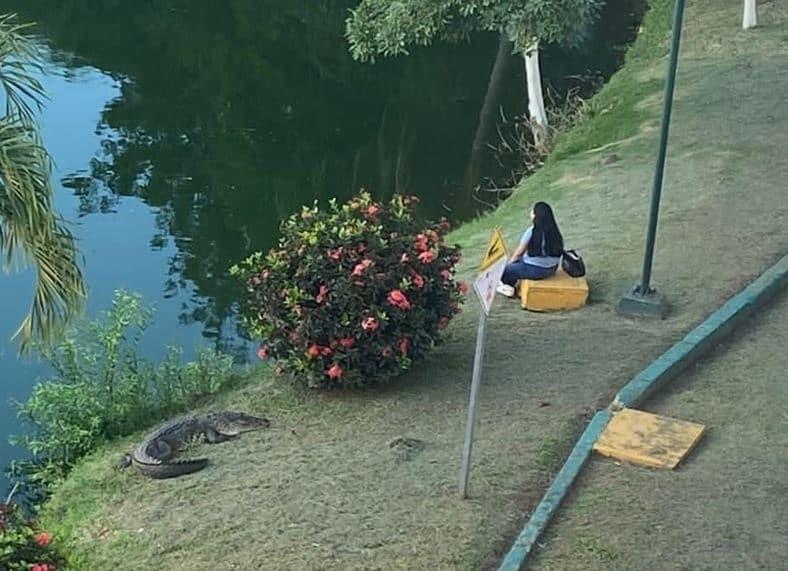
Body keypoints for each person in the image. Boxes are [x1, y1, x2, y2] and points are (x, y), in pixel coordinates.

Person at [496, 201, 563, 298]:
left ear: (536, 216)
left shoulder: (532, 231)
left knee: (505, 270)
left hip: (536, 270)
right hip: (552, 268)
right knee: (517, 263)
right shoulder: (554, 231)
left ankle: (510, 288)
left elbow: (518, 253)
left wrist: (509, 264)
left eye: (533, 211)